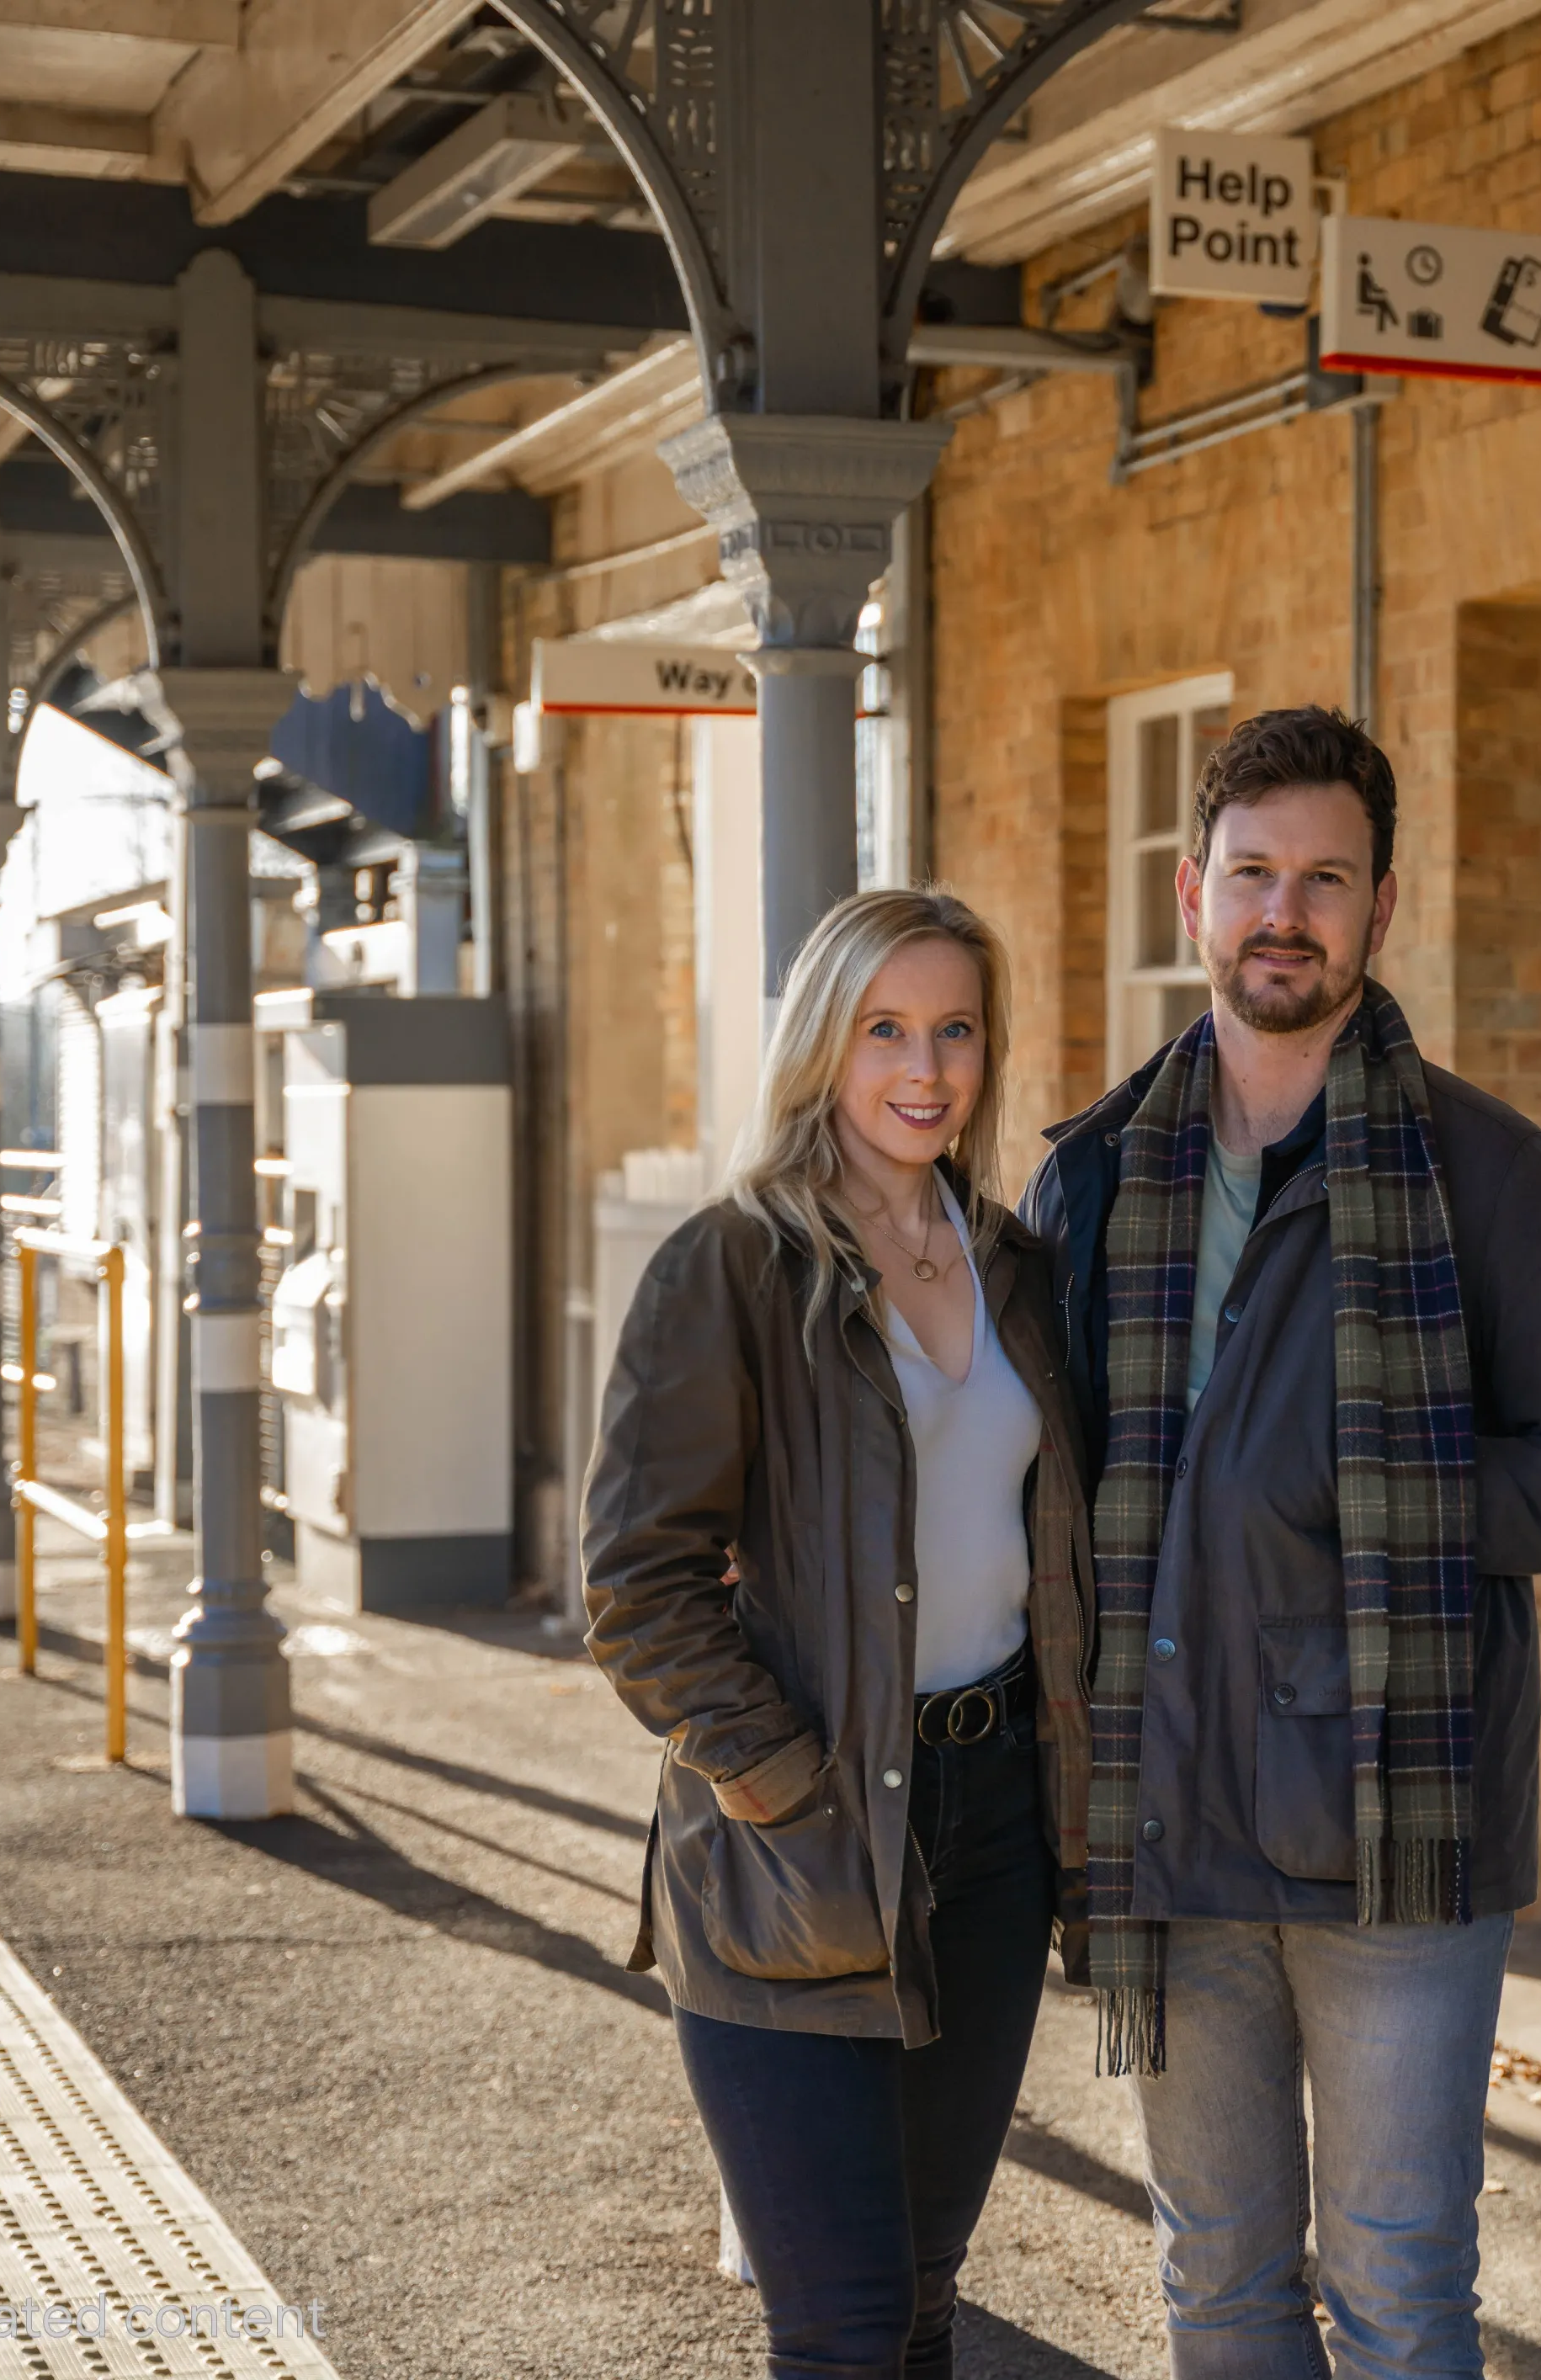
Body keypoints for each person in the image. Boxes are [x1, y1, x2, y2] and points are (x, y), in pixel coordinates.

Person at [1022, 705, 1541, 2380]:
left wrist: (1373, 1481)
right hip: (1172, 1827)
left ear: (1386, 908)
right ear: (1191, 897)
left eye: (1325, 876)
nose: (1283, 911)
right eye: (1252, 875)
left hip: (1399, 1838)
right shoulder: (1088, 1181)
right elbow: (1021, 1492)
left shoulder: (1491, 1175)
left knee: (1395, 2298)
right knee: (1217, 2288)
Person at [582, 888, 1093, 2380]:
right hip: (794, 1847)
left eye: (954, 1030)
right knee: (843, 2331)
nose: (923, 1067)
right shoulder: (732, 1268)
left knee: (923, 2307)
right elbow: (637, 1581)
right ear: (823, 1044)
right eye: (886, 1029)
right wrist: (782, 1784)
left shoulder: (1013, 1267)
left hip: (992, 1832)